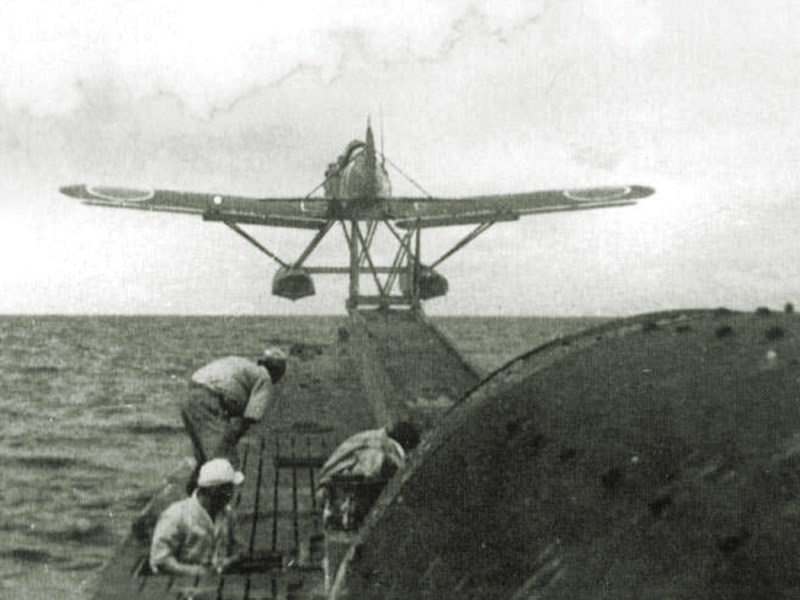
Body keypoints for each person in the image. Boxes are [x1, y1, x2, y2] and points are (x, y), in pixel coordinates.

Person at [181, 347, 287, 493]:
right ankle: (217, 507)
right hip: (208, 401)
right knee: (224, 462)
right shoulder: (265, 378)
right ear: (278, 372)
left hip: (190, 397)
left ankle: (193, 496)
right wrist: (229, 442)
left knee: (204, 457)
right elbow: (249, 418)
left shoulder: (243, 365)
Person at [316, 421, 420, 531]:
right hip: (337, 491)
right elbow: (370, 473)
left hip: (334, 487)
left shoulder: (373, 439)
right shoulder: (376, 449)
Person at [149, 458, 245, 576]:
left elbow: (238, 549)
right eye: (228, 488)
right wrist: (195, 571)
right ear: (213, 490)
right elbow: (160, 559)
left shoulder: (228, 514)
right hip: (180, 584)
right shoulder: (176, 516)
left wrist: (229, 561)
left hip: (221, 581)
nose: (232, 493)